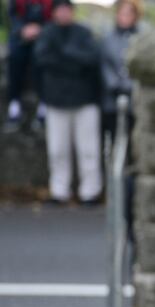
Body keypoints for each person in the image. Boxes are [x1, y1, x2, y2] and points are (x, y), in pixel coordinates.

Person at [34, 0, 102, 205]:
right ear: (55, 13)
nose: (64, 13)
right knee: (57, 150)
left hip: (85, 100)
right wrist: (72, 60)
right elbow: (42, 60)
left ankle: (90, 192)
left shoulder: (83, 32)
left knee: (88, 150)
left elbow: (91, 59)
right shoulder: (48, 33)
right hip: (56, 100)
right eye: (60, 10)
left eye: (67, 10)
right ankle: (59, 191)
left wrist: (66, 55)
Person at [5, 0, 52, 130]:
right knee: (15, 57)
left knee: (42, 60)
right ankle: (14, 104)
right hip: (21, 35)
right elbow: (11, 15)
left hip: (46, 36)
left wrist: (41, 29)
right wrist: (23, 29)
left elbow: (57, 14)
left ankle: (44, 105)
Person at [100, 0, 141, 144]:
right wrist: (115, 86)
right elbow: (104, 64)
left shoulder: (141, 38)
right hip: (111, 100)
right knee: (112, 138)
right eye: (122, 13)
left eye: (129, 14)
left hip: (134, 100)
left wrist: (130, 86)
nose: (125, 17)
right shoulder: (108, 38)